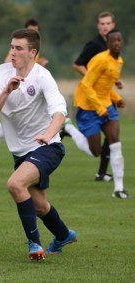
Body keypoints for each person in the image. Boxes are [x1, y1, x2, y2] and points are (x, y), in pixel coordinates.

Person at [0, 29, 76, 261]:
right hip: (21, 153)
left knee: (15, 184)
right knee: (40, 206)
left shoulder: (43, 76)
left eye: (19, 48)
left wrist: (49, 134)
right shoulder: (1, 73)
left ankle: (35, 245)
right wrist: (7, 90)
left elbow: (59, 111)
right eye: (12, 47)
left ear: (33, 52)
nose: (13, 53)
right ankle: (64, 235)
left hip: (48, 147)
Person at [62, 11, 119, 182]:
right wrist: (90, 79)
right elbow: (77, 64)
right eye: (102, 24)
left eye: (108, 23)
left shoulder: (113, 44)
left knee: (112, 138)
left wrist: (116, 82)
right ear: (98, 26)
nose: (105, 27)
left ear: (113, 25)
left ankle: (102, 173)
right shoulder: (94, 44)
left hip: (107, 97)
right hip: (91, 100)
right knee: (96, 148)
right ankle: (69, 129)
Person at [73, 29, 129, 199]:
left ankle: (118, 189)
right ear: (107, 44)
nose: (117, 43)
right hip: (88, 107)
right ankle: (69, 129)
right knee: (95, 151)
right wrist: (99, 108)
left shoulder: (119, 61)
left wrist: (117, 98)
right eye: (113, 41)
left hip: (106, 106)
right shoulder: (100, 61)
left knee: (115, 144)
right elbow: (87, 85)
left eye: (119, 40)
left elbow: (105, 86)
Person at [0, 18, 48, 161]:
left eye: (36, 29)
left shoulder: (33, 48)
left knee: (13, 119)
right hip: (14, 85)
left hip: (24, 84)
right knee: (12, 117)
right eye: (31, 29)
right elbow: (8, 63)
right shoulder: (18, 47)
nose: (34, 32)